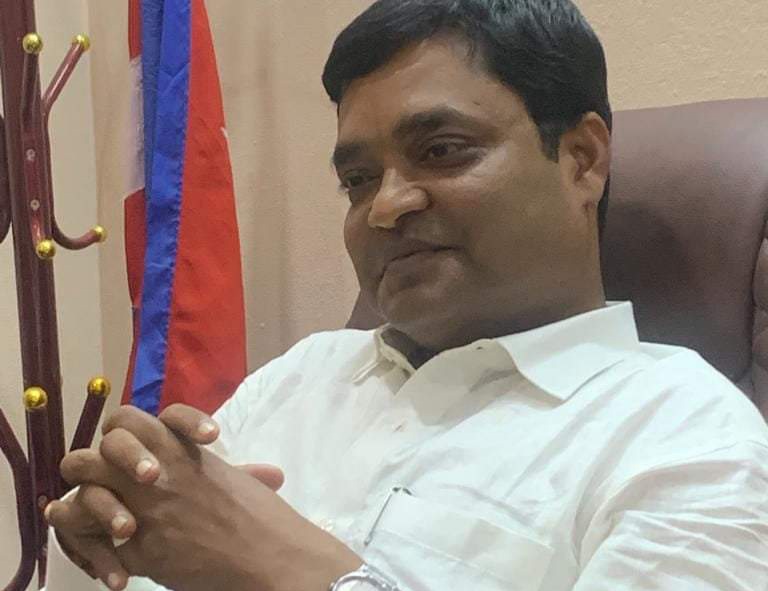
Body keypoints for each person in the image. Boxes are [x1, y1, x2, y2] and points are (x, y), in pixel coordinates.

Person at [45, 0, 768, 590]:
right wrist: (126, 522)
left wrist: (282, 567)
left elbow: (249, 557)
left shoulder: (689, 439)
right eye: (358, 180)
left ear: (582, 159)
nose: (385, 207)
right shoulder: (302, 376)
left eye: (443, 151)